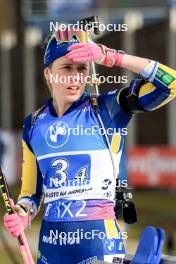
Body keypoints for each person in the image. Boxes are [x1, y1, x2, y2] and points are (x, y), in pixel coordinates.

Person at [3, 26, 176, 264]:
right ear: (48, 74)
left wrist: (112, 56)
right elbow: (31, 195)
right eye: (66, 67)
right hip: (51, 248)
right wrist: (23, 214)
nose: (75, 77)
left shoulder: (108, 108)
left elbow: (171, 84)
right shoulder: (33, 124)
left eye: (81, 68)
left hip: (99, 245)